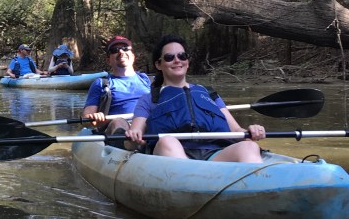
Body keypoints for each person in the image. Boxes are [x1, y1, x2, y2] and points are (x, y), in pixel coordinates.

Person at [124, 34, 266, 161]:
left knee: (249, 147)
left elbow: (236, 131)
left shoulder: (207, 93)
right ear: (158, 64)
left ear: (187, 61)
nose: (177, 60)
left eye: (182, 56)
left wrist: (251, 131)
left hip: (215, 153)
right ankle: (192, 183)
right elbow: (133, 139)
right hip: (173, 153)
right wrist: (134, 136)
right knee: (167, 141)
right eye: (169, 57)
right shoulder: (150, 99)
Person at [82, 36, 151, 142]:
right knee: (118, 122)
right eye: (115, 50)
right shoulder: (101, 83)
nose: (121, 52)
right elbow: (86, 118)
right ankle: (127, 146)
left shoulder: (145, 79)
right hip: (119, 127)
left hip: (145, 124)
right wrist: (96, 118)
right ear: (108, 60)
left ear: (132, 56)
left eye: (125, 48)